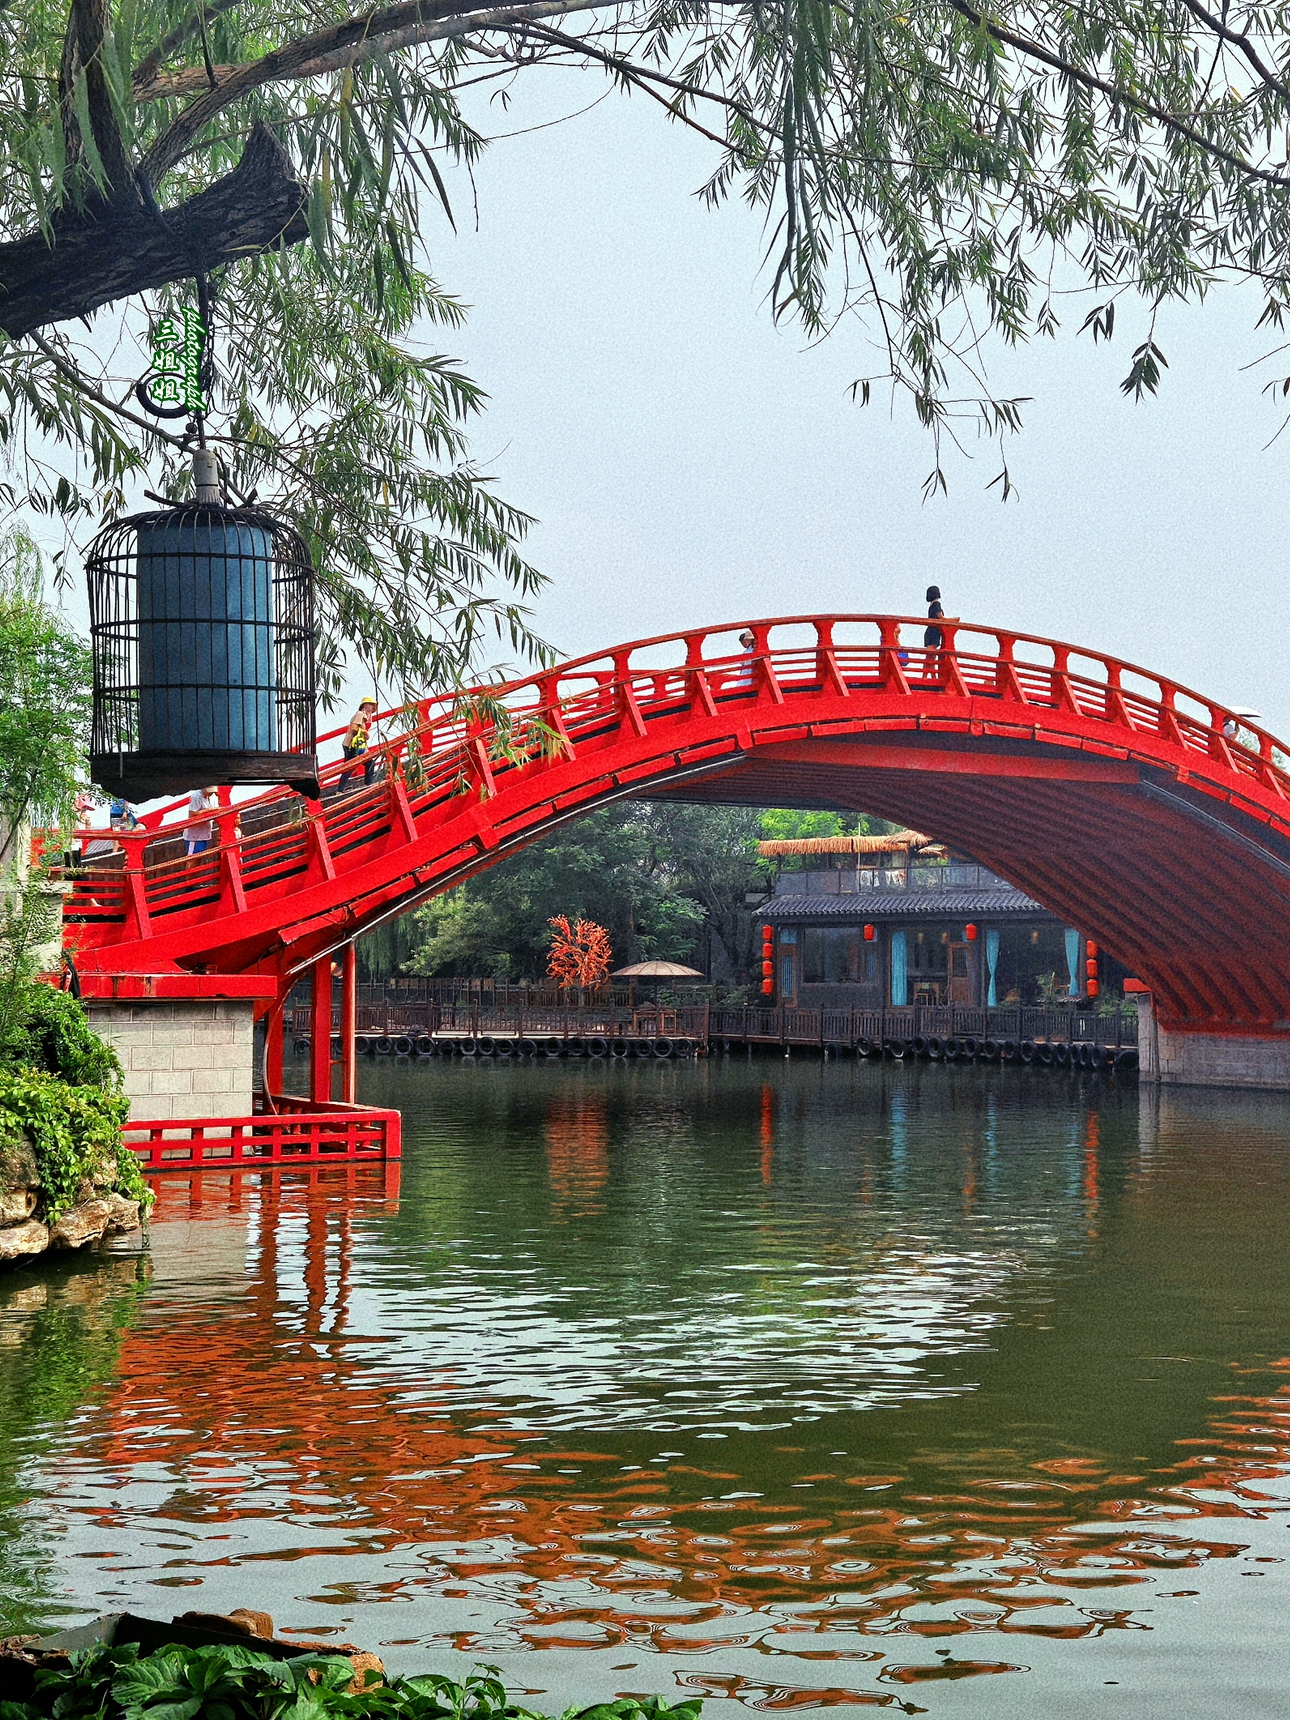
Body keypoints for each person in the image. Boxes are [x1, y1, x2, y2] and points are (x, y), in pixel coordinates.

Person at [339, 696, 379, 790]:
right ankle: (340, 790)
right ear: (365, 705)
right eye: (371, 705)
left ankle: (367, 785)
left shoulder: (362, 716)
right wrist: (365, 732)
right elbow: (354, 728)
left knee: (369, 763)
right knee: (350, 768)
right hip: (353, 746)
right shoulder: (360, 714)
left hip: (356, 745)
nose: (372, 708)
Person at [186, 787, 218, 856]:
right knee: (192, 859)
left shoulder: (211, 797)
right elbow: (192, 813)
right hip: (195, 835)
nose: (211, 793)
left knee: (199, 857)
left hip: (204, 833)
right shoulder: (196, 797)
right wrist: (209, 810)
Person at [924, 585, 945, 650]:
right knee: (932, 650)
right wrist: (953, 620)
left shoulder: (931, 606)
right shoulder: (936, 604)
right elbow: (940, 617)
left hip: (930, 631)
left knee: (930, 653)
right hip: (934, 631)